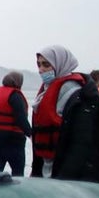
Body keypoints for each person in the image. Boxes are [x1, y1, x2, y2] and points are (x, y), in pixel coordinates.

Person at [30, 45, 85, 178]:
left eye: (46, 65)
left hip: (63, 165)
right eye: (39, 65)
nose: (41, 70)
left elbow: (79, 135)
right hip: (45, 163)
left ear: (60, 64)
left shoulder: (72, 92)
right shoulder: (46, 90)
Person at [0, 71, 32, 177]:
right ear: (19, 82)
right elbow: (21, 120)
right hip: (13, 138)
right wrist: (31, 134)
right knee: (17, 171)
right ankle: (17, 192)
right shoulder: (15, 96)